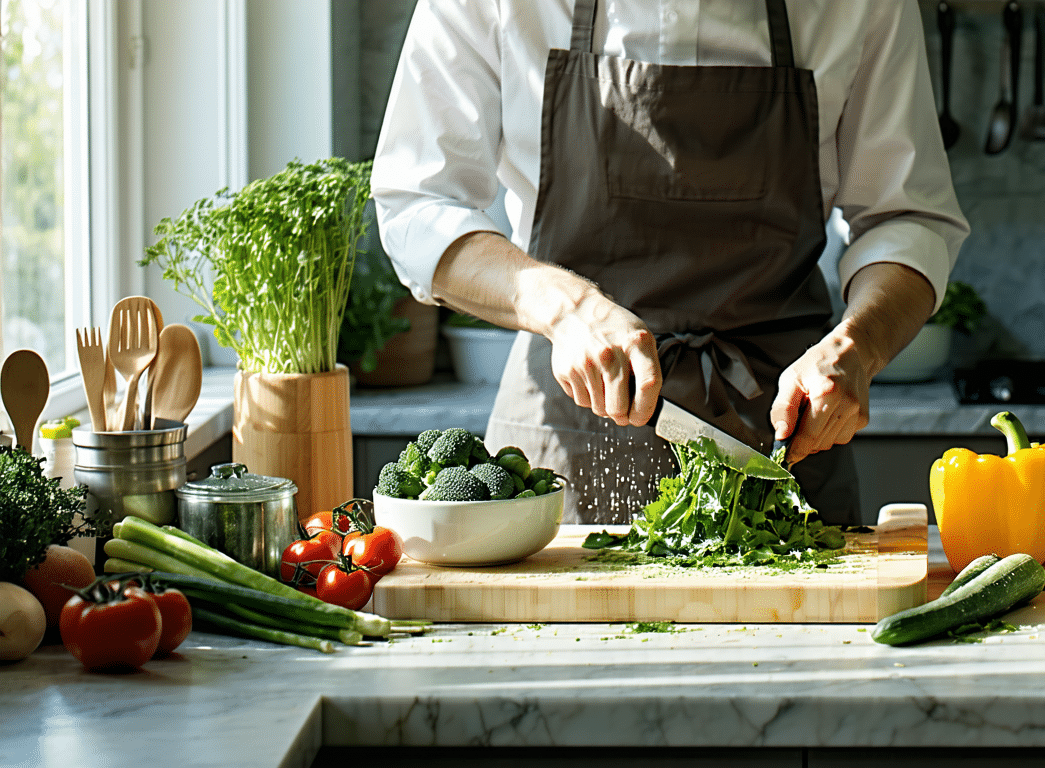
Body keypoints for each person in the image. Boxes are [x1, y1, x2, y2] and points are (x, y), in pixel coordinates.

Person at [371, 0, 969, 525]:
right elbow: (418, 205)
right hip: (566, 445)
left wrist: (858, 346)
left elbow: (906, 218)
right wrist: (566, 308)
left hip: (786, 439)